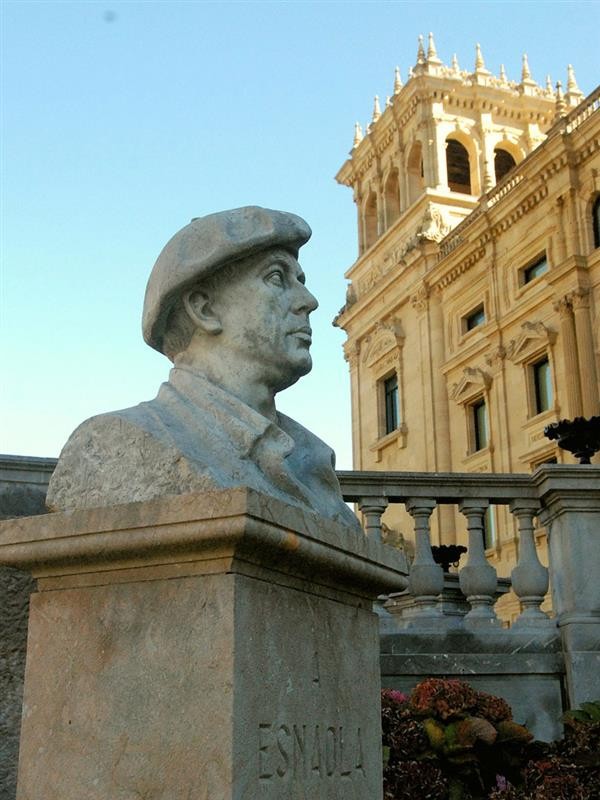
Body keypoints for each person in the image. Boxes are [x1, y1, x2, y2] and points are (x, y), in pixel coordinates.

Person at [46, 206, 359, 529]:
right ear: (204, 309)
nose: (308, 300)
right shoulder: (110, 446)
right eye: (277, 277)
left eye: (301, 280)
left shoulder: (312, 464)